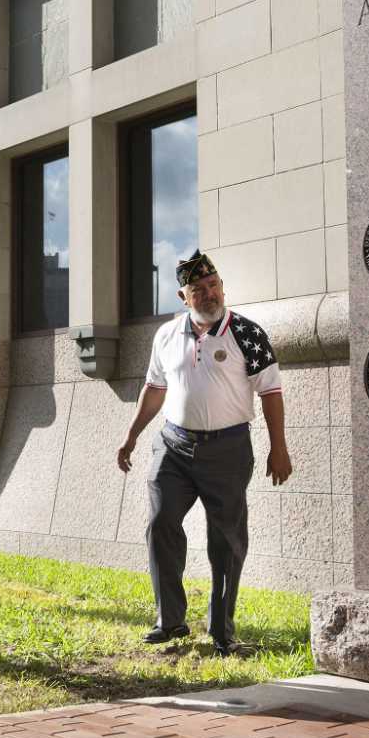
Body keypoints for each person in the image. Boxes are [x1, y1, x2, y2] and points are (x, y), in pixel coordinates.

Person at [115, 252, 292, 656]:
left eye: (214, 286)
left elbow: (271, 392)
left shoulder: (248, 334)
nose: (209, 294)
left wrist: (278, 447)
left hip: (227, 449)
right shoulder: (166, 336)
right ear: (183, 296)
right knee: (160, 524)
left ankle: (222, 630)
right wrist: (132, 434)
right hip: (173, 446)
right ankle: (170, 620)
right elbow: (155, 388)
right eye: (199, 289)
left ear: (222, 287)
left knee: (225, 540)